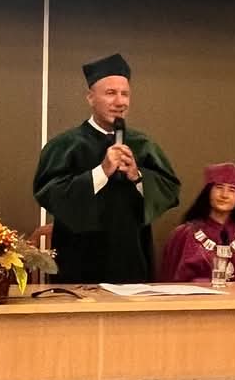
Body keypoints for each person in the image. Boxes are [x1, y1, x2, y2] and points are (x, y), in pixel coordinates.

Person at [33, 53, 179, 283]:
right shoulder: (66, 145)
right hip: (78, 262)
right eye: (110, 93)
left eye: (125, 94)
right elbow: (49, 193)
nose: (120, 102)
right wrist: (101, 172)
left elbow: (169, 189)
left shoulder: (143, 144)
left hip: (132, 260)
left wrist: (138, 176)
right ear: (90, 98)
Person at [159, 162, 235, 283]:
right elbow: (170, 281)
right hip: (197, 295)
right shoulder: (184, 234)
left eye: (232, 190)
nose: (224, 195)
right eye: (219, 187)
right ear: (208, 192)